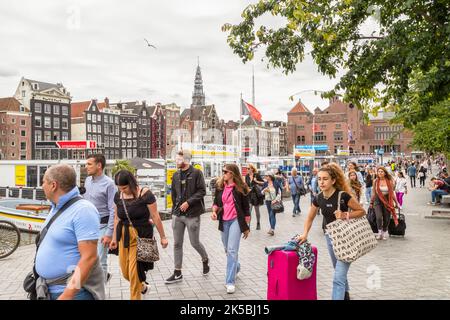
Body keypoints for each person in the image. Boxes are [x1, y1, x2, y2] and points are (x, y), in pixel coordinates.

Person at [297, 163, 366, 300]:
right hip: (329, 237)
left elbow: (361, 211)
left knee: (338, 278)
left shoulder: (343, 196)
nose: (321, 182)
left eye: (325, 179)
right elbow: (310, 217)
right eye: (319, 179)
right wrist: (305, 233)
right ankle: (345, 295)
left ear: (333, 180)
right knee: (338, 271)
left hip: (346, 239)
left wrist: (345, 215)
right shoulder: (318, 198)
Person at [35, 164, 105, 300]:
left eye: (43, 182)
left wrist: (68, 295)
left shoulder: (83, 210)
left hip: (72, 294)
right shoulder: (56, 207)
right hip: (49, 290)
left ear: (53, 185)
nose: (42, 186)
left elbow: (89, 257)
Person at [109, 170, 168, 300]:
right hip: (123, 236)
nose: (122, 190)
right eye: (120, 188)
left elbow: (155, 216)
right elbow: (117, 218)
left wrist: (163, 237)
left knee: (134, 273)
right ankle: (143, 287)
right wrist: (114, 238)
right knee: (125, 273)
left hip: (140, 235)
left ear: (131, 183)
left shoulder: (145, 194)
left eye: (124, 187)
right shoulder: (118, 195)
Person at [165, 150, 209, 284]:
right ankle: (177, 272)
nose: (176, 161)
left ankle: (205, 258)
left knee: (194, 242)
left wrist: (188, 202)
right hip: (178, 215)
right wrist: (174, 211)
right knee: (177, 244)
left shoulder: (196, 173)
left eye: (178, 159)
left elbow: (202, 191)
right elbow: (173, 194)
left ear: (186, 160)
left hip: (192, 214)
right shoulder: (176, 175)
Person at [211, 164, 251, 294]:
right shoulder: (220, 186)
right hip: (224, 221)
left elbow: (246, 209)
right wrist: (214, 211)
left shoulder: (241, 188)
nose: (223, 173)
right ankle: (236, 267)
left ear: (232, 174)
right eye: (223, 171)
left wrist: (246, 227)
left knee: (232, 250)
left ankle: (230, 282)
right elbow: (216, 203)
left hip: (236, 221)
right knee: (227, 250)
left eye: (226, 171)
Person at [83, 154, 117, 282]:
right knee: (88, 258)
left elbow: (113, 210)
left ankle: (100, 292)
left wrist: (109, 233)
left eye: (89, 164)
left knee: (100, 260)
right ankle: (103, 278)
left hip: (103, 226)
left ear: (99, 165)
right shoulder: (87, 181)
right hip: (88, 226)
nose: (86, 167)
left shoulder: (109, 184)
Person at [370, 167, 400, 240]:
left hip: (387, 200)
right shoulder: (375, 181)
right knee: (379, 217)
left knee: (387, 218)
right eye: (379, 171)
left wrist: (397, 203)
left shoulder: (389, 181)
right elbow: (374, 192)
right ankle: (379, 232)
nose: (380, 173)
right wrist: (371, 202)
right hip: (377, 200)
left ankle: (383, 233)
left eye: (382, 172)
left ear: (385, 173)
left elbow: (392, 193)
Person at [261, 171, 282, 236]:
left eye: (267, 176)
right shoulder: (265, 183)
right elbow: (261, 193)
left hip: (274, 201)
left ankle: (272, 229)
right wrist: (264, 190)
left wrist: (275, 200)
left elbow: (279, 193)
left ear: (270, 176)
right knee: (271, 215)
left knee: (271, 214)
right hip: (267, 201)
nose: (265, 177)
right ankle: (272, 228)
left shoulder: (276, 183)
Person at [244, 164, 265, 230]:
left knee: (257, 211)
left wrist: (256, 181)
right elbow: (246, 185)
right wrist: (247, 189)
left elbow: (263, 183)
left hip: (256, 195)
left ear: (252, 169)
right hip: (249, 195)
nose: (247, 169)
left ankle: (258, 223)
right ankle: (248, 225)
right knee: (249, 211)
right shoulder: (247, 176)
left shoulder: (256, 175)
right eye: (247, 168)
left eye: (248, 168)